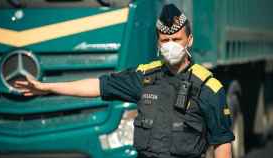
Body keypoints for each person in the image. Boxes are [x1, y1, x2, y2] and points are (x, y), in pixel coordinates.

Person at [15, 4, 234, 158]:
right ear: (158, 42)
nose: (170, 45)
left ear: (189, 40)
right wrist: (48, 87)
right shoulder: (144, 77)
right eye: (165, 39)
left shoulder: (207, 88)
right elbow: (97, 85)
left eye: (176, 39)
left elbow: (222, 144)